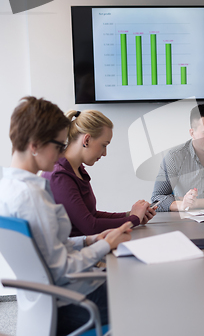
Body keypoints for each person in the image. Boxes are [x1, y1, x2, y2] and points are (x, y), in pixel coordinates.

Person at [0, 96, 135, 335]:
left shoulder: (8, 188)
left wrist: (88, 240)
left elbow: (43, 249)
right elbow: (62, 268)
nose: (62, 152)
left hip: (45, 302)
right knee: (148, 288)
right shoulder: (32, 197)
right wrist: (105, 245)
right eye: (58, 146)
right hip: (70, 303)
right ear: (35, 145)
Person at [42, 109, 155, 236]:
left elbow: (91, 214)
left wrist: (130, 214)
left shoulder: (77, 170)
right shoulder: (59, 176)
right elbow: (90, 226)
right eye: (104, 145)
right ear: (87, 140)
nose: (105, 153)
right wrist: (134, 220)